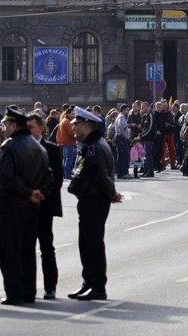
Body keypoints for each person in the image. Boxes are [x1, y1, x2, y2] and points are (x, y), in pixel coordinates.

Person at [0, 106, 53, 305]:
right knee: (28, 250)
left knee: (10, 251)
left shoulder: (10, 146)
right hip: (32, 207)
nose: (3, 128)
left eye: (5, 125)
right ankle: (28, 292)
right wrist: (38, 193)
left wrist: (28, 193)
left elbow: (8, 177)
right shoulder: (38, 146)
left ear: (13, 125)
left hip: (13, 205)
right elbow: (49, 175)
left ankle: (14, 293)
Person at [66, 107, 123, 301]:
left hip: (94, 200)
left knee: (93, 244)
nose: (73, 128)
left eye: (76, 125)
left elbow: (99, 175)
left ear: (87, 125)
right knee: (86, 244)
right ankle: (88, 282)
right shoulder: (92, 144)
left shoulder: (94, 147)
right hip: (90, 199)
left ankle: (98, 286)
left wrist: (111, 193)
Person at [27, 113, 64, 300]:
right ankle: (28, 287)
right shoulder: (22, 148)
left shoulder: (52, 149)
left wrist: (42, 194)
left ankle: (50, 286)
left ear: (41, 127)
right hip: (26, 206)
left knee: (46, 247)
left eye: (32, 127)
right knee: (26, 248)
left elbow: (57, 179)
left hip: (45, 206)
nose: (29, 131)